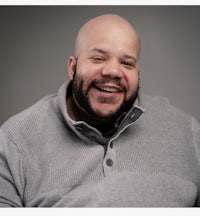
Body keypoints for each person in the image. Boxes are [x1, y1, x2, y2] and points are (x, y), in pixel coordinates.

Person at [0, 13, 200, 207]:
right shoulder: (15, 140)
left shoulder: (187, 132)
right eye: (98, 58)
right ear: (73, 67)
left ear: (137, 73)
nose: (113, 71)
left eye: (126, 63)